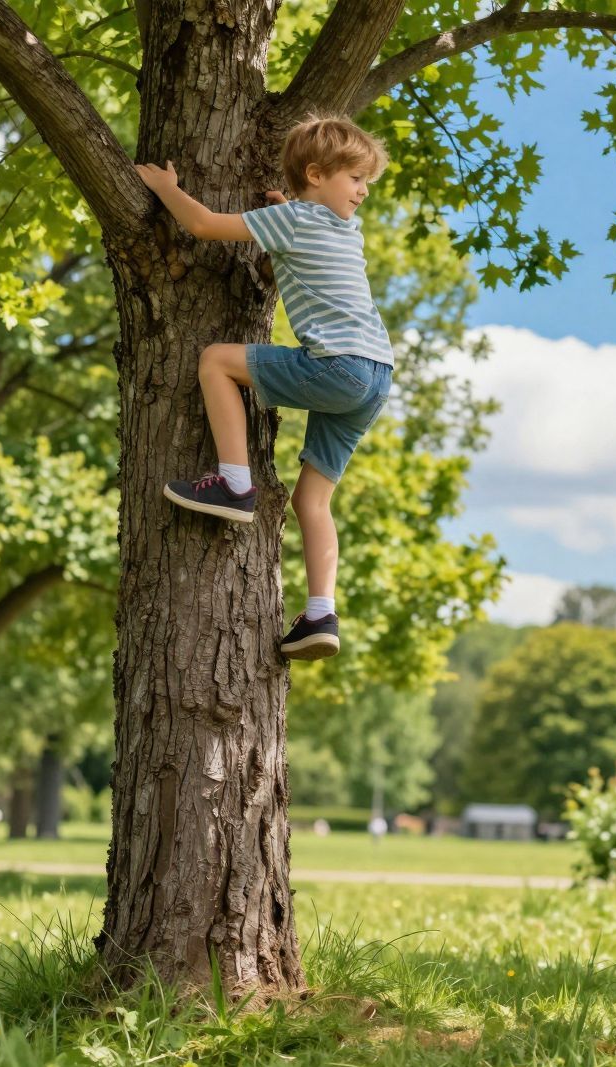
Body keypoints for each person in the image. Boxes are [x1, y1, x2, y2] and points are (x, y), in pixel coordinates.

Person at [133, 116, 397, 660]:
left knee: (215, 360)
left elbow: (203, 225)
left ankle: (234, 484)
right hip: (376, 376)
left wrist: (167, 188)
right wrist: (285, 207)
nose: (364, 192)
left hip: (340, 366)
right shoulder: (342, 230)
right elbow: (301, 243)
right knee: (312, 500)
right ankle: (320, 614)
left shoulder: (295, 218)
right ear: (316, 175)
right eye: (356, 179)